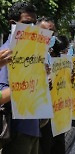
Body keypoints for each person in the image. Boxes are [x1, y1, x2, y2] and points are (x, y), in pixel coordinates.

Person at [0, 2, 40, 154]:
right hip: (17, 130)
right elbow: (3, 91)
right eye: (27, 23)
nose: (31, 27)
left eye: (34, 23)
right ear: (12, 24)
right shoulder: (6, 53)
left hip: (33, 125)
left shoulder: (33, 52)